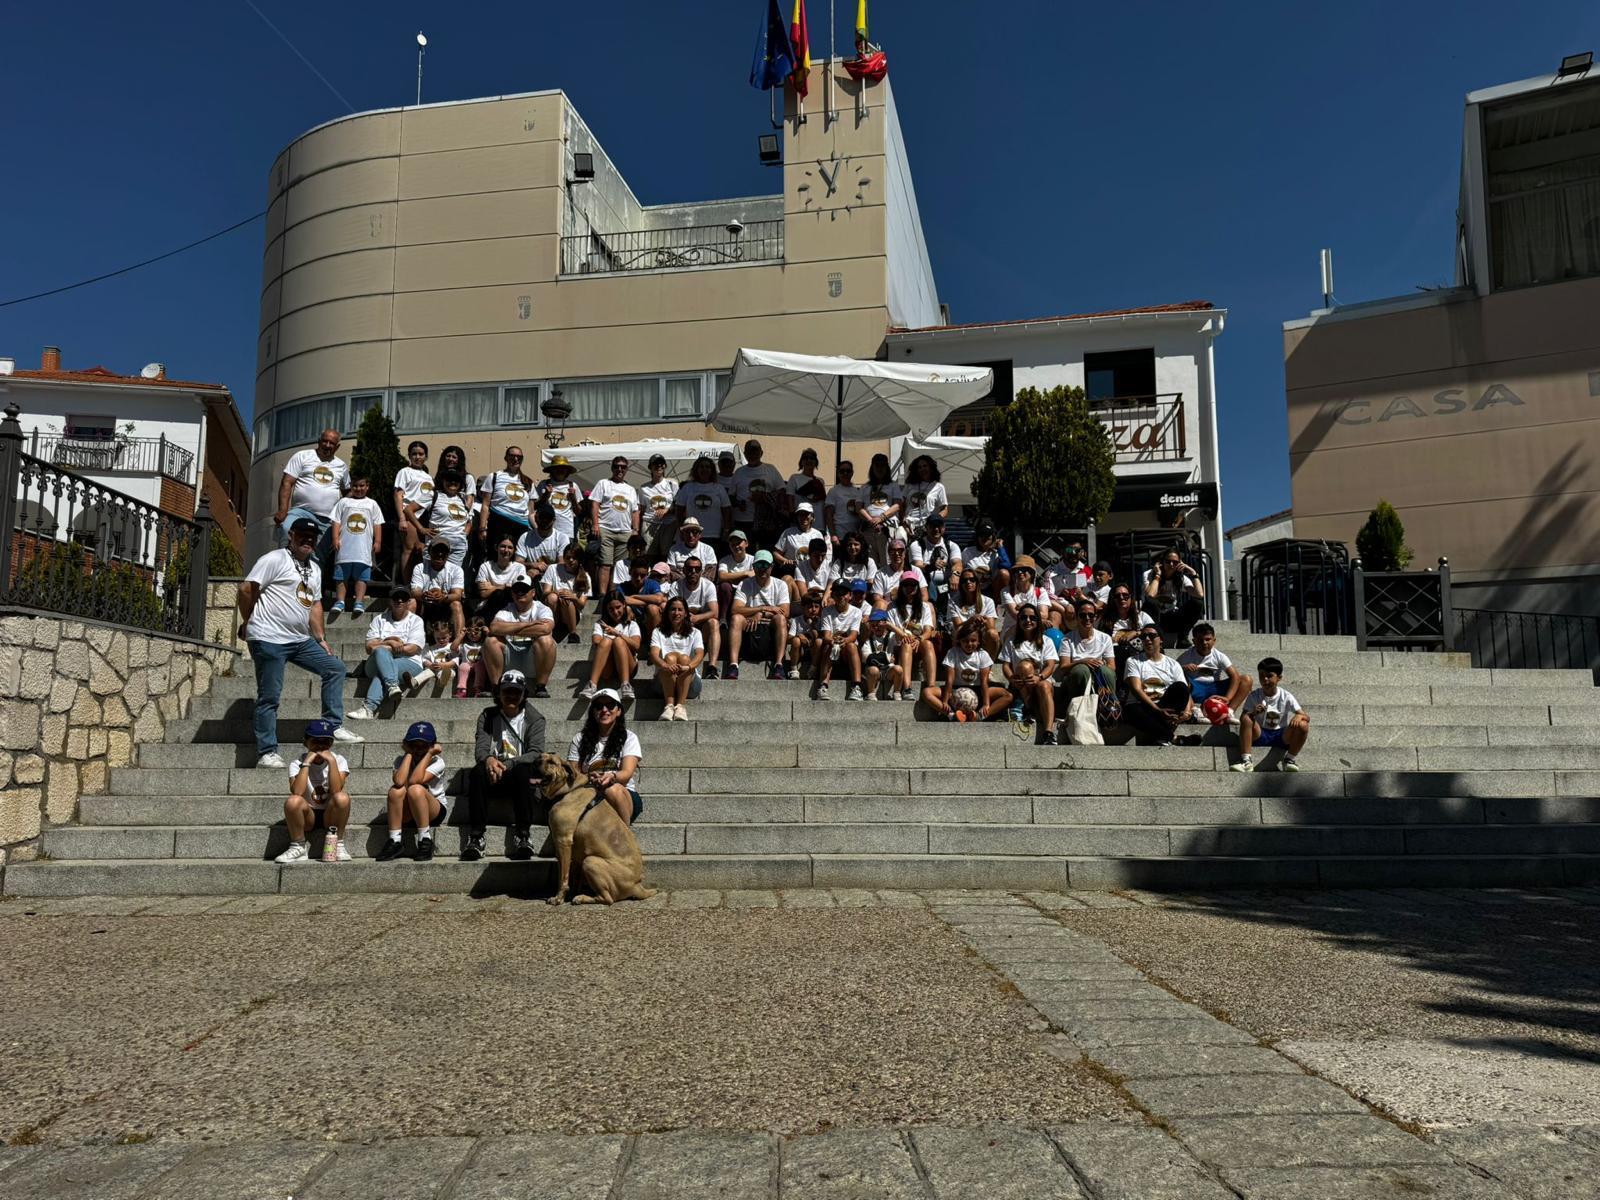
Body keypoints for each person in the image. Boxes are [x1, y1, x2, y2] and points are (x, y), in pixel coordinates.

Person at [238, 519, 361, 769]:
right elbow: (246, 589)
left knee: (334, 668)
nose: (308, 540)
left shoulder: (314, 568)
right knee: (270, 696)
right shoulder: (274, 559)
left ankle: (333, 725)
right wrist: (249, 620)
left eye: (312, 537)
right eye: (302, 535)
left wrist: (321, 639)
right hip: (269, 637)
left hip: (299, 639)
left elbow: (315, 605)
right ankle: (267, 752)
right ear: (291, 536)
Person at [464, 669, 547, 861]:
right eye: (507, 691)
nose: (511, 696)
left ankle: (523, 835)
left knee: (522, 771)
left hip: (521, 777)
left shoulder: (535, 718)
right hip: (492, 773)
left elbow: (535, 752)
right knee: (477, 772)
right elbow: (481, 749)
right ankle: (476, 837)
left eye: (517, 692)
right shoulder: (487, 716)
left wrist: (507, 764)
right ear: (498, 693)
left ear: (524, 694)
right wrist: (489, 760)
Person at [275, 719, 351, 864]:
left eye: (326, 742)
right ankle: (298, 846)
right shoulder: (297, 763)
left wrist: (332, 762)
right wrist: (306, 764)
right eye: (316, 741)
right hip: (307, 814)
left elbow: (336, 790)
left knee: (342, 798)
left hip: (330, 814)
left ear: (332, 743)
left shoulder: (339, 760)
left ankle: (338, 844)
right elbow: (297, 791)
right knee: (293, 801)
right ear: (306, 742)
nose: (321, 746)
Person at [568, 689, 644, 826]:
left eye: (610, 705)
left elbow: (626, 773)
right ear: (593, 712)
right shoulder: (579, 739)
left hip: (624, 796)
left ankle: (624, 836)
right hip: (590, 792)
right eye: (599, 706)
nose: (604, 710)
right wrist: (589, 777)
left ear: (619, 711)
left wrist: (611, 777)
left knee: (612, 789)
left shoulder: (629, 738)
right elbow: (573, 774)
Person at [376, 720, 450, 862]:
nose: (418, 750)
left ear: (432, 745)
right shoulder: (401, 759)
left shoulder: (437, 761)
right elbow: (399, 781)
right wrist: (408, 754)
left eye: (423, 746)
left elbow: (415, 781)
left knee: (415, 789)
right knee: (395, 791)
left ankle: (425, 839)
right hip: (409, 812)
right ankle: (395, 841)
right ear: (407, 745)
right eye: (413, 745)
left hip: (433, 811)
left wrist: (429, 754)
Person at [349, 587, 426, 721]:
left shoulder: (416, 620)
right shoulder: (379, 619)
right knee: (380, 653)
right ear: (390, 601)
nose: (400, 601)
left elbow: (413, 649)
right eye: (396, 598)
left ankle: (368, 709)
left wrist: (383, 644)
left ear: (409, 602)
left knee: (383, 670)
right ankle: (392, 686)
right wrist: (391, 642)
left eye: (403, 598)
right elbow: (369, 647)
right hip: (376, 662)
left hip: (410, 662)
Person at [274, 428, 348, 564]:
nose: (327, 445)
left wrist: (342, 519)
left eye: (331, 443)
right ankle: (285, 568)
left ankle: (312, 584)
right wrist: (283, 510)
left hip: (327, 519)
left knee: (317, 557)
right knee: (286, 530)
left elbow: (347, 494)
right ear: (318, 441)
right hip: (301, 511)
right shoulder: (302, 456)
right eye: (324, 441)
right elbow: (287, 482)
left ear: (337, 447)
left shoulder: (341, 466)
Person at [1231, 657, 1310, 773]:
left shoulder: (1286, 696)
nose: (1265, 679)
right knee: (1247, 718)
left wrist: (1299, 716)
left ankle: (1289, 759)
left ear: (1279, 678)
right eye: (1261, 675)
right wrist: (1253, 713)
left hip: (1281, 735)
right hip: (1260, 734)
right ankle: (1246, 761)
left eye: (1269, 676)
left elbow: (1305, 716)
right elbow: (1243, 718)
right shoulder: (1254, 695)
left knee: (1303, 725)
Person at [925, 619, 1011, 721]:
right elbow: (949, 680)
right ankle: (952, 715)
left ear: (979, 641)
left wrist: (986, 704)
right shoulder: (953, 653)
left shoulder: (982, 655)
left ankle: (979, 716)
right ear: (960, 641)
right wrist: (945, 701)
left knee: (1007, 695)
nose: (969, 644)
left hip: (977, 689)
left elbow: (984, 682)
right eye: (965, 641)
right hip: (955, 690)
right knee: (927, 692)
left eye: (973, 640)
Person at [488, 578, 557, 697]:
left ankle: (540, 687)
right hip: (510, 656)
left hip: (533, 659)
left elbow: (545, 628)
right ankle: (496, 687)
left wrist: (509, 629)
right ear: (512, 593)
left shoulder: (542, 609)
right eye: (516, 590)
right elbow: (494, 628)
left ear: (533, 592)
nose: (519, 593)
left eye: (524, 590)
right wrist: (528, 625)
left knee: (546, 640)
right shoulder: (506, 610)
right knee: (491, 641)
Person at [1124, 627, 1193, 746]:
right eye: (1143, 636)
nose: (1147, 639)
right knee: (1132, 711)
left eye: (1151, 636)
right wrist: (1157, 710)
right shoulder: (1133, 661)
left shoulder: (1173, 664)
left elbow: (1185, 691)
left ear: (1160, 639)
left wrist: (1186, 712)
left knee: (1180, 687)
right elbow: (1136, 689)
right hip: (1142, 705)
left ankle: (1163, 732)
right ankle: (1172, 737)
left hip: (1164, 705)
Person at [1000, 603, 1059, 743]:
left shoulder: (1047, 641)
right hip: (1020, 683)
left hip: (1041, 682)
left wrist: (1040, 677)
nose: (1028, 621)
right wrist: (1011, 678)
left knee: (1044, 686)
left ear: (1038, 621)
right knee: (1024, 667)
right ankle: (1029, 706)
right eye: (1024, 617)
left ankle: (1049, 732)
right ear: (1018, 620)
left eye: (1032, 618)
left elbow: (1050, 665)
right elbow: (1006, 666)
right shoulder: (1011, 642)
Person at [727, 551, 790, 680]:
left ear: (771, 567)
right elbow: (735, 609)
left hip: (770, 627)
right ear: (753, 567)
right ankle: (733, 665)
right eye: (759, 565)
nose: (762, 569)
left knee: (781, 619)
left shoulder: (780, 585)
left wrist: (761, 614)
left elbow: (785, 611)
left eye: (765, 565)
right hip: (750, 626)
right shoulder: (744, 584)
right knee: (736, 619)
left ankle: (779, 665)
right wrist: (761, 608)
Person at [1059, 597, 1115, 739]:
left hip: (1099, 680)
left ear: (1096, 617)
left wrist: (1100, 665)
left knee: (1106, 671)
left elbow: (1112, 666)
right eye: (1082, 615)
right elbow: (1064, 667)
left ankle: (1108, 710)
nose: (1087, 618)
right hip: (1076, 681)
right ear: (1077, 617)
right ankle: (1079, 712)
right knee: (1081, 670)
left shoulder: (1105, 638)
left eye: (1091, 615)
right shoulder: (1067, 639)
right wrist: (1083, 661)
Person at [329, 475, 383, 615]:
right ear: (351, 486)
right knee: (341, 577)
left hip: (363, 549)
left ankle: (359, 602)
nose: (358, 489)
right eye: (355, 486)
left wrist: (377, 541)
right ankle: (340, 601)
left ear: (367, 487)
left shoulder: (372, 504)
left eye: (361, 486)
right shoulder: (343, 502)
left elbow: (377, 524)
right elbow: (336, 521)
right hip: (344, 548)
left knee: (362, 577)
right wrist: (335, 538)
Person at [589, 453, 641, 598]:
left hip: (625, 532)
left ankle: (614, 596)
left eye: (623, 467)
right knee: (605, 564)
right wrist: (595, 524)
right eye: (617, 466)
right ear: (612, 468)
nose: (620, 469)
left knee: (619, 567)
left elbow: (635, 511)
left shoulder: (630, 489)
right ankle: (602, 596)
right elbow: (594, 503)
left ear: (627, 470)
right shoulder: (603, 483)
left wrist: (635, 530)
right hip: (606, 529)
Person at [1180, 622, 1251, 723]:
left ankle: (1229, 711)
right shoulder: (1186, 656)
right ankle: (1194, 710)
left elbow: (1235, 676)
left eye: (1208, 639)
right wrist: (1183, 668)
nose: (1204, 643)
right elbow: (1174, 675)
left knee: (1246, 679)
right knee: (1181, 680)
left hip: (1214, 688)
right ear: (1194, 641)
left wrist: (1227, 698)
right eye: (1200, 640)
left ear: (1214, 640)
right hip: (1195, 689)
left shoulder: (1219, 656)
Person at [885, 572, 938, 700]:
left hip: (917, 642)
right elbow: (890, 628)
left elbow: (928, 630)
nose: (910, 588)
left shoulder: (924, 607)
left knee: (928, 643)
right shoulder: (892, 607)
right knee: (907, 643)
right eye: (906, 585)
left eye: (913, 585)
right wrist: (904, 635)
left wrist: (919, 639)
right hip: (899, 644)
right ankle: (907, 687)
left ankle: (931, 686)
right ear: (901, 587)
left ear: (917, 587)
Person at [650, 596, 705, 721]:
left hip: (690, 684)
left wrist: (688, 667)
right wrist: (665, 666)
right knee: (669, 658)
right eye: (673, 609)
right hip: (663, 682)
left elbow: (700, 654)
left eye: (680, 610)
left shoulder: (695, 632)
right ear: (667, 612)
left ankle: (680, 706)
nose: (676, 613)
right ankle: (669, 706)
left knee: (685, 659)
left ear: (686, 613)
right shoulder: (658, 631)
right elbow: (653, 654)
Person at [669, 554, 722, 679]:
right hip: (682, 626)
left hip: (701, 626)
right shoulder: (676, 586)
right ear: (684, 570)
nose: (693, 572)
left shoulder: (708, 585)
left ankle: (712, 667)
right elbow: (670, 610)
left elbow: (715, 612)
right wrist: (687, 617)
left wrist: (696, 618)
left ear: (701, 571)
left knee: (714, 622)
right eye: (690, 569)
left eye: (697, 569)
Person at [476, 445, 533, 562]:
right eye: (512, 456)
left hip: (521, 526)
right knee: (495, 559)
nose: (516, 459)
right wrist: (482, 528)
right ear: (506, 458)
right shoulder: (494, 477)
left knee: (517, 561)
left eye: (519, 457)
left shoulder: (528, 482)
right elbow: (485, 505)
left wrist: (535, 531)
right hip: (499, 522)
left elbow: (530, 512)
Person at [582, 593, 642, 701]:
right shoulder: (600, 624)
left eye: (618, 607)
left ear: (624, 605)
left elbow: (636, 645)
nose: (615, 612)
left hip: (629, 666)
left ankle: (626, 685)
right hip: (607, 666)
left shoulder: (631, 624)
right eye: (611, 609)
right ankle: (592, 685)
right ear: (606, 609)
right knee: (606, 642)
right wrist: (611, 639)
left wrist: (617, 633)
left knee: (619, 641)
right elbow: (596, 641)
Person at [1143, 549, 1206, 647]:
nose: (1171, 564)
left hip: (1171, 617)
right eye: (1168, 561)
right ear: (1161, 562)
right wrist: (1158, 574)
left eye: (1175, 562)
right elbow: (1151, 594)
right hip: (1154, 619)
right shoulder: (1149, 574)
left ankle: (1182, 638)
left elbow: (1199, 594)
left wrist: (1193, 573)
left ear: (1180, 564)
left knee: (1197, 603)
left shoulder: (1181, 578)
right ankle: (1156, 640)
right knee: (1149, 605)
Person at [411, 469, 474, 567]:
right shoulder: (433, 495)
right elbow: (408, 510)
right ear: (443, 481)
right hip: (436, 545)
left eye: (456, 480)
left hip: (458, 547)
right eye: (449, 479)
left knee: (452, 577)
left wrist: (463, 535)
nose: (453, 482)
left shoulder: (462, 499)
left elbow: (469, 521)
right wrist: (421, 529)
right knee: (431, 577)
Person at [816, 580, 865, 702]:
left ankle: (856, 686)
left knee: (851, 646)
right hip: (832, 647)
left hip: (848, 651)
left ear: (849, 595)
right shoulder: (827, 611)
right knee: (828, 645)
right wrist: (834, 641)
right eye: (837, 593)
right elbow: (826, 635)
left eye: (843, 593)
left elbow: (853, 636)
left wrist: (844, 640)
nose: (840, 596)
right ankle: (823, 685)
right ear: (833, 595)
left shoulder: (856, 612)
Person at [731, 438, 785, 545]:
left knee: (765, 553)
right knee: (746, 553)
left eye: (755, 451)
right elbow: (731, 496)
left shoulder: (770, 469)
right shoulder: (739, 472)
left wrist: (765, 497)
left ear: (761, 453)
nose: (752, 454)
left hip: (766, 522)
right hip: (743, 521)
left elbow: (782, 491)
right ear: (745, 454)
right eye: (749, 452)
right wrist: (738, 503)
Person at [410, 539, 466, 641]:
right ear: (429, 552)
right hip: (426, 606)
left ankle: (459, 641)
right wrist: (424, 595)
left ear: (448, 554)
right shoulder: (420, 567)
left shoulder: (456, 570)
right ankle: (407, 638)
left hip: (445, 606)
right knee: (412, 602)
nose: (440, 554)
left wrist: (444, 597)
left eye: (443, 551)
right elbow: (414, 591)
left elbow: (457, 595)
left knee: (456, 604)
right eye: (436, 550)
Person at [393, 440, 434, 575]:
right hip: (409, 515)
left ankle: (418, 582)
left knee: (421, 550)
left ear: (426, 456)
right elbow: (398, 495)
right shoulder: (404, 472)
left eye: (421, 454)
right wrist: (402, 519)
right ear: (409, 456)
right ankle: (407, 585)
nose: (417, 457)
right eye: (414, 454)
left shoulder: (428, 476)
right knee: (409, 549)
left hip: (423, 516)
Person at [673, 456, 732, 550]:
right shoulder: (687, 488)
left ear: (712, 470)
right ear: (696, 470)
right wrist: (681, 530)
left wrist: (726, 530)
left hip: (713, 535)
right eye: (701, 467)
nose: (705, 469)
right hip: (691, 534)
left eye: (708, 467)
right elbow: (679, 511)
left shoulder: (719, 488)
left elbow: (726, 511)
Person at [910, 514, 962, 616]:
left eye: (939, 526)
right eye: (933, 526)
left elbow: (958, 563)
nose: (936, 529)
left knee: (962, 579)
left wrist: (955, 574)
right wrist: (931, 566)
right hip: (926, 584)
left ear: (944, 528)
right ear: (926, 527)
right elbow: (917, 566)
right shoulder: (917, 545)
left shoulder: (951, 545)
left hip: (946, 584)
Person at [540, 541, 591, 643]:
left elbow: (581, 605)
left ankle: (573, 633)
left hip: (571, 613)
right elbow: (545, 592)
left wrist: (572, 596)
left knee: (566, 599)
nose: (571, 560)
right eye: (567, 557)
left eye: (574, 558)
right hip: (554, 608)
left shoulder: (585, 577)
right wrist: (556, 592)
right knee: (552, 597)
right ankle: (550, 628)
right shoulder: (553, 568)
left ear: (579, 559)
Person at [856, 454, 903, 564]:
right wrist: (871, 520)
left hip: (887, 528)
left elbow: (897, 505)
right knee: (870, 562)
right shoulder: (865, 487)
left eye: (883, 465)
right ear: (872, 467)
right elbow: (859, 508)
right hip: (868, 529)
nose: (880, 468)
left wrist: (881, 518)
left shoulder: (893, 486)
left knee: (887, 561)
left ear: (887, 468)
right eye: (877, 465)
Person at [945, 569, 1000, 658]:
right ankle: (959, 662)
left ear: (977, 582)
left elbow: (991, 627)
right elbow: (957, 626)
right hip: (961, 634)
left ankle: (987, 667)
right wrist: (971, 621)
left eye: (972, 579)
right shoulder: (953, 602)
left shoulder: (988, 601)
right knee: (958, 631)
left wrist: (983, 622)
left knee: (993, 634)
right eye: (964, 580)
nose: (968, 582)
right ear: (960, 584)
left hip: (981, 635)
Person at [715, 530, 758, 642]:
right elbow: (722, 576)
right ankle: (723, 619)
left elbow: (754, 577)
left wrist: (733, 577)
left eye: (739, 543)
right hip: (730, 592)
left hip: (746, 592)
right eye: (733, 544)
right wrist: (744, 574)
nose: (736, 546)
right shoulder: (724, 560)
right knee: (724, 586)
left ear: (746, 544)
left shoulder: (753, 559)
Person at [1001, 555, 1056, 635]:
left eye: (1023, 570)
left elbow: (1044, 615)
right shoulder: (1006, 591)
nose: (1020, 572)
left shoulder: (1041, 592)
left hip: (1034, 631)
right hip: (1013, 630)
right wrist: (1036, 617)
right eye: (1017, 570)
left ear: (1032, 573)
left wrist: (1022, 608)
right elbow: (1015, 615)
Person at [617, 559, 668, 644]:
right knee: (627, 608)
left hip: (648, 619)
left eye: (642, 575)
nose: (638, 578)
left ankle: (654, 644)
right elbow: (622, 600)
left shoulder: (652, 583)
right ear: (630, 572)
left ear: (647, 575)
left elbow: (659, 599)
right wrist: (648, 601)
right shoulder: (623, 586)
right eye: (635, 574)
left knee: (653, 608)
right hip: (632, 618)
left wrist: (635, 596)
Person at [537, 455, 584, 546]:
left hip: (567, 531)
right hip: (546, 530)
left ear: (567, 471)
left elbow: (578, 512)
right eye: (557, 468)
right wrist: (546, 495)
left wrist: (573, 499)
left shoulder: (573, 486)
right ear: (552, 470)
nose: (560, 470)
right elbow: (535, 507)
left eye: (563, 468)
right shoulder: (543, 484)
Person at [476, 535, 531, 610]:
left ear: (514, 550)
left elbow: (519, 592)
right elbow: (483, 594)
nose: (506, 550)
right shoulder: (485, 566)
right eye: (503, 546)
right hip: (488, 607)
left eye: (510, 548)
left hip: (511, 607)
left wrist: (493, 587)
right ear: (496, 547)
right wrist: (505, 586)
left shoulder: (519, 568)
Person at [641, 453, 679, 558]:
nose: (659, 466)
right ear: (650, 467)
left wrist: (667, 510)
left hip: (668, 524)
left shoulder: (672, 485)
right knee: (648, 555)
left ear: (665, 466)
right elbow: (642, 510)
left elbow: (678, 504)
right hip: (649, 524)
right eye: (655, 464)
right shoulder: (644, 488)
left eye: (661, 464)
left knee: (666, 555)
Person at [774, 502, 826, 577]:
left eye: (806, 514)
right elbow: (776, 553)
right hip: (792, 572)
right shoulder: (788, 532)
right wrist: (785, 561)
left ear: (812, 517)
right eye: (801, 514)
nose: (804, 517)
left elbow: (823, 555)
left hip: (811, 573)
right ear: (797, 517)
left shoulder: (818, 534)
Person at [871, 538, 926, 610]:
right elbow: (877, 598)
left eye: (900, 550)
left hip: (911, 606)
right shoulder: (880, 573)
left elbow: (924, 595)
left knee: (929, 605)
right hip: (890, 607)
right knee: (880, 604)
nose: (896, 554)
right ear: (888, 553)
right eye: (893, 551)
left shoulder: (915, 570)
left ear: (905, 552)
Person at [902, 454, 948, 537]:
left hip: (927, 528)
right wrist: (903, 520)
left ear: (931, 467)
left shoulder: (938, 487)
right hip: (908, 525)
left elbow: (944, 509)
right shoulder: (909, 485)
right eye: (919, 467)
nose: (922, 469)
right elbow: (902, 504)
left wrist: (934, 520)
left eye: (925, 466)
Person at [515, 502, 567, 577]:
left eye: (548, 518)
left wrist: (541, 570)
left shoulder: (562, 538)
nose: (544, 521)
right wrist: (532, 565)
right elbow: (517, 563)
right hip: (531, 577)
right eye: (542, 517)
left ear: (554, 520)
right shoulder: (525, 537)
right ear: (535, 518)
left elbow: (561, 564)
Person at [963, 520, 1011, 600]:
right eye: (982, 535)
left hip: (991, 590)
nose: (985, 538)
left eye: (988, 535)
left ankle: (996, 604)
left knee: (1004, 573)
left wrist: (1000, 547)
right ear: (977, 536)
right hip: (971, 588)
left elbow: (1006, 566)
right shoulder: (968, 551)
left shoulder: (996, 554)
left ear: (993, 537)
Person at [414, 618, 461, 697]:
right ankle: (414, 682)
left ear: (450, 634)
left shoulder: (452, 647)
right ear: (434, 636)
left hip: (447, 668)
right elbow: (424, 658)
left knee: (448, 672)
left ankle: (442, 681)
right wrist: (429, 664)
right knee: (426, 672)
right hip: (433, 668)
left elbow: (457, 659)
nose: (441, 640)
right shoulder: (431, 648)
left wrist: (445, 665)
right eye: (438, 638)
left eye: (444, 638)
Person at [786, 589, 826, 680]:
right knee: (796, 640)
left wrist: (812, 625)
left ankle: (813, 668)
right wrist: (798, 636)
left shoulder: (821, 621)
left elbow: (822, 636)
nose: (813, 610)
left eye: (816, 606)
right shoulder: (797, 620)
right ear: (803, 608)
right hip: (800, 651)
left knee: (819, 641)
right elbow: (788, 638)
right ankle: (794, 669)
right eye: (810, 607)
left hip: (815, 651)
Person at [824, 460, 863, 548]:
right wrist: (833, 535)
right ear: (838, 473)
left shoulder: (858, 491)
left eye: (848, 471)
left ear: (852, 473)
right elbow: (828, 515)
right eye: (842, 471)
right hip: (840, 535)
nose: (845, 473)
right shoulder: (833, 491)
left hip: (855, 535)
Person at [666, 516, 719, 580]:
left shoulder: (708, 549)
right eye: (687, 532)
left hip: (703, 585)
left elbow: (710, 573)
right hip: (680, 585)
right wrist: (688, 582)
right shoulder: (674, 549)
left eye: (694, 532)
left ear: (700, 534)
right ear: (682, 534)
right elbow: (672, 571)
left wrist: (695, 583)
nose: (691, 535)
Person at [860, 609, 895, 700]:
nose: (876, 628)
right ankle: (871, 693)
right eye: (873, 625)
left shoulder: (892, 636)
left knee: (898, 669)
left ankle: (897, 693)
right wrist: (886, 658)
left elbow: (904, 636)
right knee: (873, 670)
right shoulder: (869, 640)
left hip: (889, 670)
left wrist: (890, 625)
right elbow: (867, 658)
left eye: (879, 625)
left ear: (885, 624)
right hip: (874, 671)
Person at [792, 535, 836, 606]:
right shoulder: (800, 567)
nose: (820, 559)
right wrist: (822, 592)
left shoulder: (830, 566)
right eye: (816, 556)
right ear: (809, 554)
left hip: (825, 600)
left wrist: (815, 591)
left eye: (823, 555)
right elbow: (804, 595)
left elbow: (832, 589)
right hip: (809, 603)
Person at [455, 615, 491, 698]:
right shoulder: (465, 645)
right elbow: (453, 648)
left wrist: (488, 632)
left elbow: (493, 641)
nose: (473, 633)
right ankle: (461, 690)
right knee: (463, 666)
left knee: (480, 665)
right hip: (467, 666)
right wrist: (461, 635)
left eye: (477, 630)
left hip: (479, 666)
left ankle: (478, 689)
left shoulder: (485, 644)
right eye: (469, 630)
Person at [785, 446, 827, 512]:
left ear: (816, 462)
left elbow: (823, 502)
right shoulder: (794, 478)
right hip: (802, 518)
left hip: (819, 517)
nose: (809, 460)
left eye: (812, 458)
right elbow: (790, 500)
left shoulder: (820, 481)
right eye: (805, 458)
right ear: (801, 462)